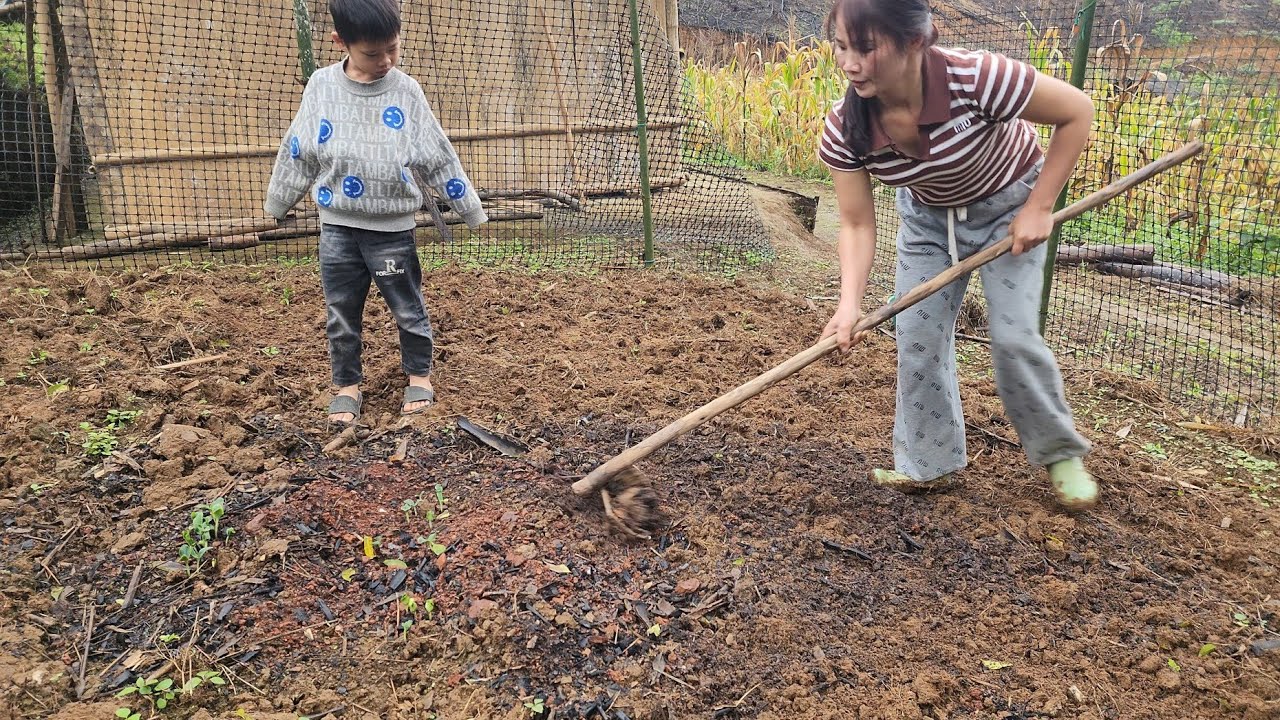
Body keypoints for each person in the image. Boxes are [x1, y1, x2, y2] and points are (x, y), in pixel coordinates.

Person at [817, 0, 1098, 509]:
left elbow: (1077, 112)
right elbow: (857, 223)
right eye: (840, 46)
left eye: (865, 47)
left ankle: (1059, 451)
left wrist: (1039, 207)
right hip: (928, 222)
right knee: (917, 337)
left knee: (1013, 336)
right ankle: (930, 465)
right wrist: (848, 303)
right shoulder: (847, 130)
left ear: (915, 41)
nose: (849, 63)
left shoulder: (978, 78)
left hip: (1009, 209)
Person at [265, 0, 487, 426]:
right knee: (341, 311)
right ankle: (347, 386)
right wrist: (279, 201)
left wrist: (469, 209)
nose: (385, 61)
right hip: (338, 228)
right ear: (341, 42)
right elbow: (298, 150)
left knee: (407, 307)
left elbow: (437, 154)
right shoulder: (321, 86)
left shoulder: (406, 91)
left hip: (391, 231)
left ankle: (419, 376)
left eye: (393, 49)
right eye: (372, 53)